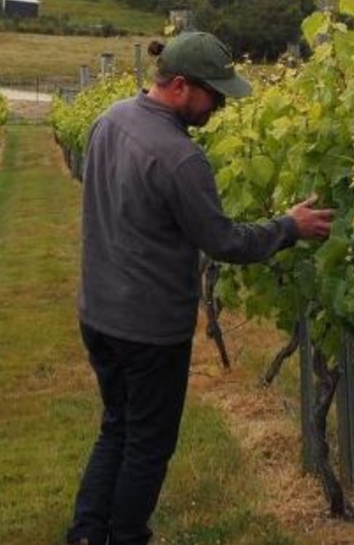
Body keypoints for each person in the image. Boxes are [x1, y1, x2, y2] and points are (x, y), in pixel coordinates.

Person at [66, 31, 334, 545]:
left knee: (117, 426)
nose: (221, 108)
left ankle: (86, 533)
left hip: (98, 311)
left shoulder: (109, 120)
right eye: (215, 95)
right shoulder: (180, 158)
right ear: (182, 87)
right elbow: (224, 241)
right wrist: (289, 227)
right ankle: (124, 536)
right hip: (148, 327)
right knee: (148, 443)